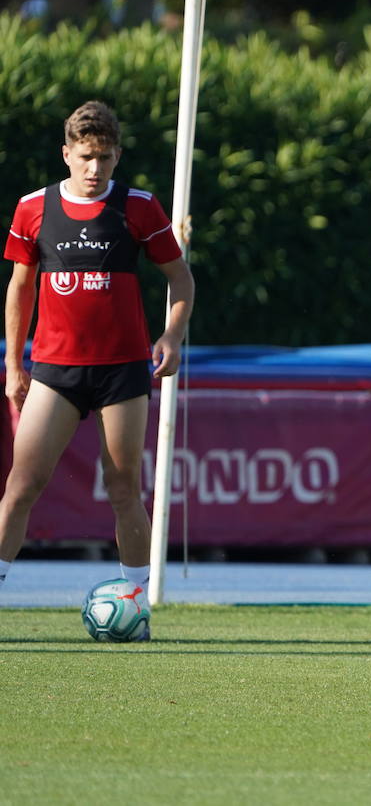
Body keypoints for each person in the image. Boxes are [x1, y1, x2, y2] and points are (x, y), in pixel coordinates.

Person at [0, 101, 194, 637]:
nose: (94, 168)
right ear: (66, 154)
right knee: (22, 485)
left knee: (124, 485)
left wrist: (171, 337)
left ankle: (137, 604)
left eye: (105, 158)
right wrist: (14, 365)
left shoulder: (139, 207)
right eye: (85, 156)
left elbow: (181, 280)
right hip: (54, 372)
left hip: (122, 373)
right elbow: (20, 288)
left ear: (117, 156)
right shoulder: (33, 207)